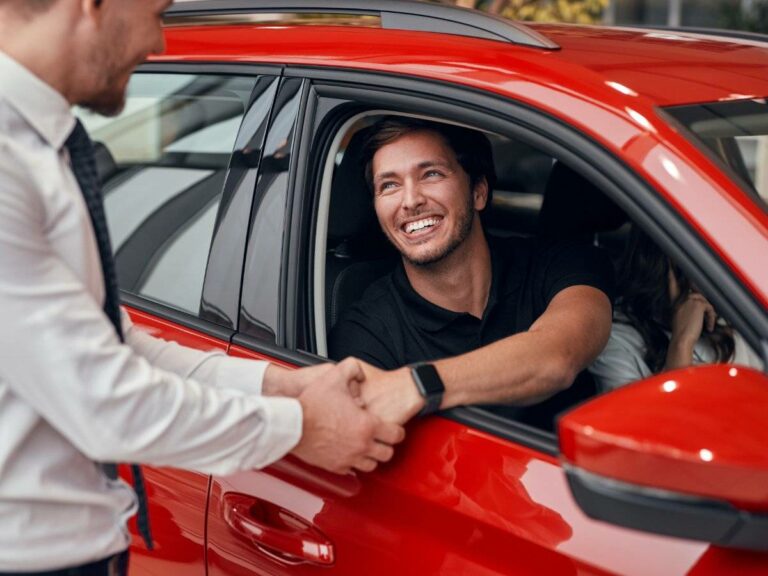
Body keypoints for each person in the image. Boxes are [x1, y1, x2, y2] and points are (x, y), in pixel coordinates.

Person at [0, 1, 402, 574]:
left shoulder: (41, 144)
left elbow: (118, 345)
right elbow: (106, 404)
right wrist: (303, 428)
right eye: (157, 12)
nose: (159, 43)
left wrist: (281, 384)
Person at [329, 116, 615, 428]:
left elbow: (558, 357)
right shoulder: (364, 332)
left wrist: (416, 385)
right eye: (389, 185)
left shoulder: (559, 263)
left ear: (478, 191)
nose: (410, 201)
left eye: (431, 174)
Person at [589, 226, 763, 391]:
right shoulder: (617, 340)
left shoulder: (735, 317)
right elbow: (649, 421)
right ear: (667, 264)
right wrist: (681, 344)